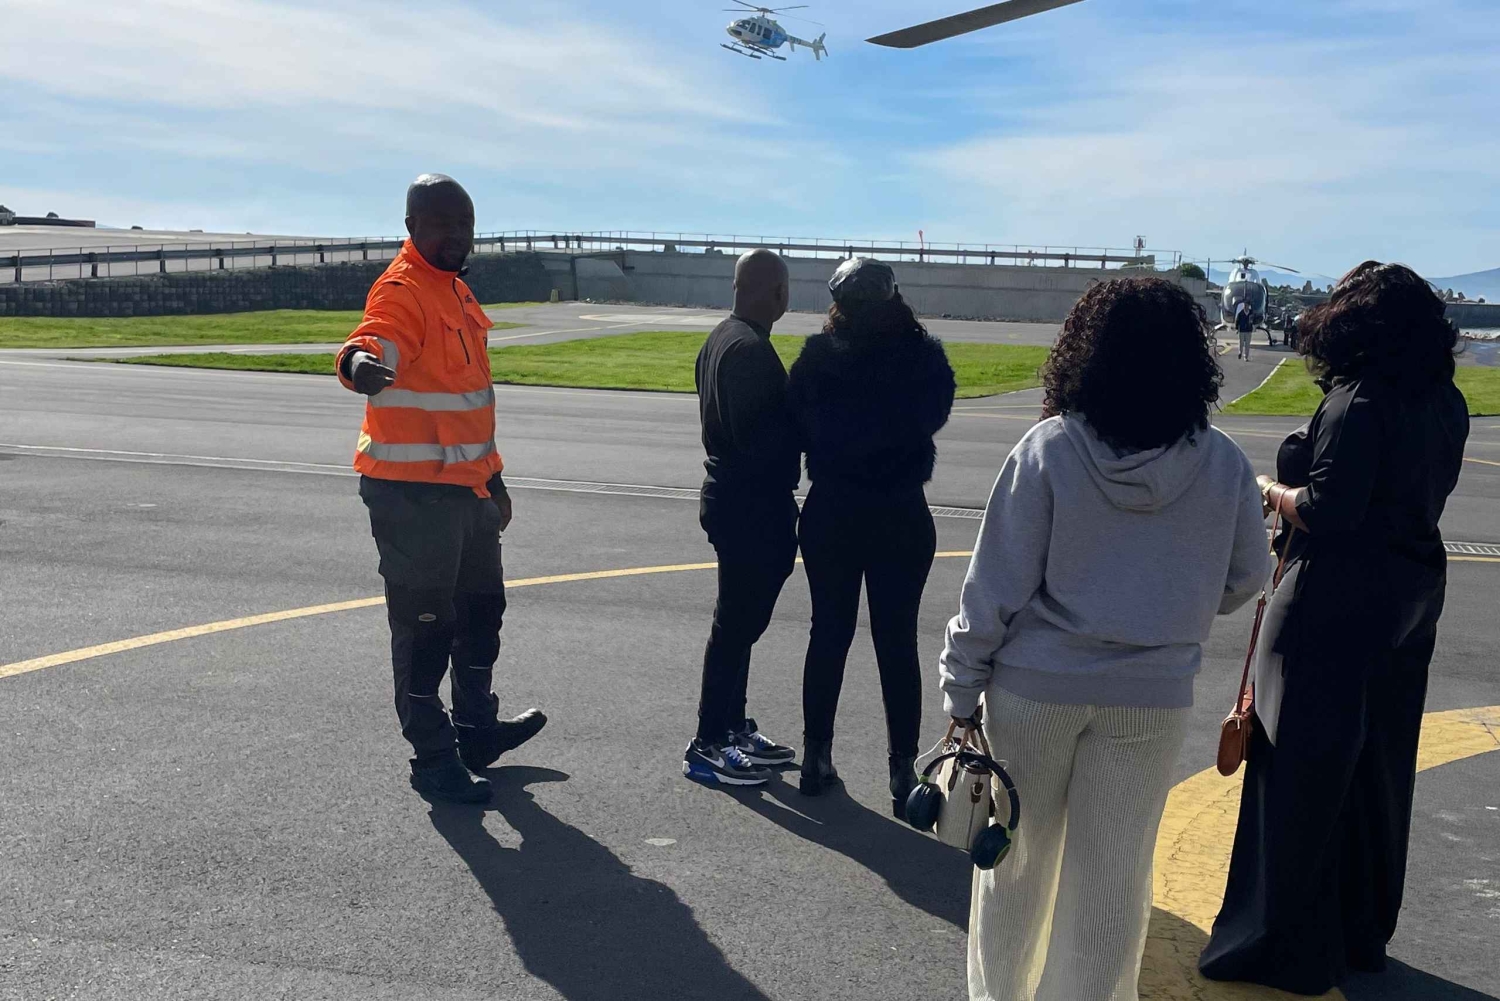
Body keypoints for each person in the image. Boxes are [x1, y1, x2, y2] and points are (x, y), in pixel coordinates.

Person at [939, 277, 1270, 1001]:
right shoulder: (1222, 463)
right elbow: (1249, 575)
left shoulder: (1049, 449)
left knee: (1015, 869)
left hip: (1035, 688)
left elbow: (992, 587)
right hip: (1150, 697)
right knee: (1111, 882)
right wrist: (1171, 605)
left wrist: (961, 687)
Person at [1199, 263, 1469, 995]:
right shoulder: (1446, 400)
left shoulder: (1359, 400)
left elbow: (1327, 509)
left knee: (1298, 773)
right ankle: (1360, 926)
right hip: (1415, 590)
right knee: (1379, 770)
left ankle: (1282, 939)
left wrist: (1270, 490)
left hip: (1335, 593)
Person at [337, 174, 546, 805]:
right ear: (412, 228)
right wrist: (360, 366)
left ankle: (476, 730)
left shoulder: (457, 293)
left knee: (482, 613)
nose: (457, 234)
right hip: (410, 496)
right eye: (443, 223)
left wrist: (495, 481)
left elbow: (467, 406)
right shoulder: (402, 291)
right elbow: (367, 341)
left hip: (468, 490)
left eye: (465, 223)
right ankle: (432, 758)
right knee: (425, 626)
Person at [787, 258, 955, 812]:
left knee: (828, 631)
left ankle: (816, 756)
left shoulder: (815, 359)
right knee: (897, 638)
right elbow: (936, 413)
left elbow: (796, 423)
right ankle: (902, 769)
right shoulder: (923, 357)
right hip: (898, 511)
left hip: (833, 508)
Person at [683, 249, 801, 787]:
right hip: (751, 503)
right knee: (735, 625)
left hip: (732, 496)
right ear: (774, 292)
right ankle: (708, 740)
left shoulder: (720, 339)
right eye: (783, 288)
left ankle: (731, 725)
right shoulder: (750, 350)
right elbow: (762, 442)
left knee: (740, 623)